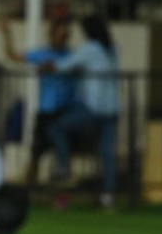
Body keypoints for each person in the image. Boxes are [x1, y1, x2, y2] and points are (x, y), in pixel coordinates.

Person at [40, 13, 119, 210]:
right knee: (106, 152)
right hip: (112, 108)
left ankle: (64, 171)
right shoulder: (112, 49)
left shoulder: (89, 49)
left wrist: (47, 66)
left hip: (93, 107)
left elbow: (64, 65)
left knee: (57, 128)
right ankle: (108, 195)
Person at [0, 14, 75, 188]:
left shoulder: (70, 56)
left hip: (64, 110)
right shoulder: (43, 54)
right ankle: (28, 191)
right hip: (46, 109)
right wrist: (7, 34)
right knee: (36, 152)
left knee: (60, 153)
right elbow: (13, 56)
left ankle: (61, 189)